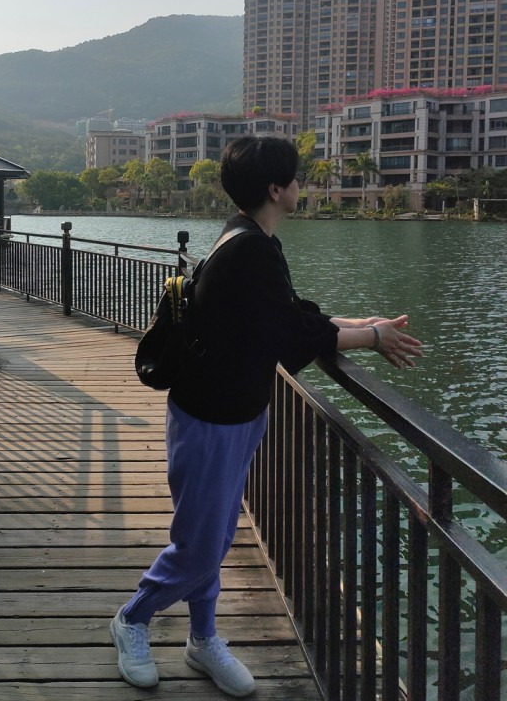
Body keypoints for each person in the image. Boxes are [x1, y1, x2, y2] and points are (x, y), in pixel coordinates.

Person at [110, 136, 423, 698]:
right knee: (201, 544)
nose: (303, 185)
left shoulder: (250, 238)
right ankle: (133, 617)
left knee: (213, 535)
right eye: (297, 178)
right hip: (209, 419)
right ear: (276, 189)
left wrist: (360, 323)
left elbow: (287, 315)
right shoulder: (249, 248)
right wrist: (373, 338)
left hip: (234, 413)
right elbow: (290, 334)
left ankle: (202, 638)